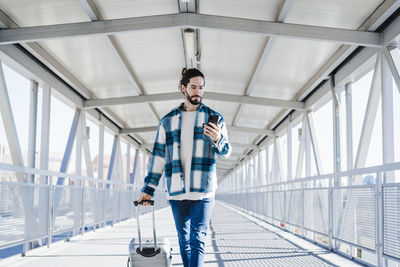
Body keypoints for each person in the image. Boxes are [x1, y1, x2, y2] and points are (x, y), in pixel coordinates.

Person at [137, 68, 231, 267]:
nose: (198, 91)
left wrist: (218, 139)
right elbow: (158, 157)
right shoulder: (167, 121)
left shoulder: (215, 118)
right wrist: (148, 190)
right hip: (177, 192)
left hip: (203, 192)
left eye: (201, 88)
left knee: (197, 239)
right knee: (184, 240)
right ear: (183, 88)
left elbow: (226, 152)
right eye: (193, 87)